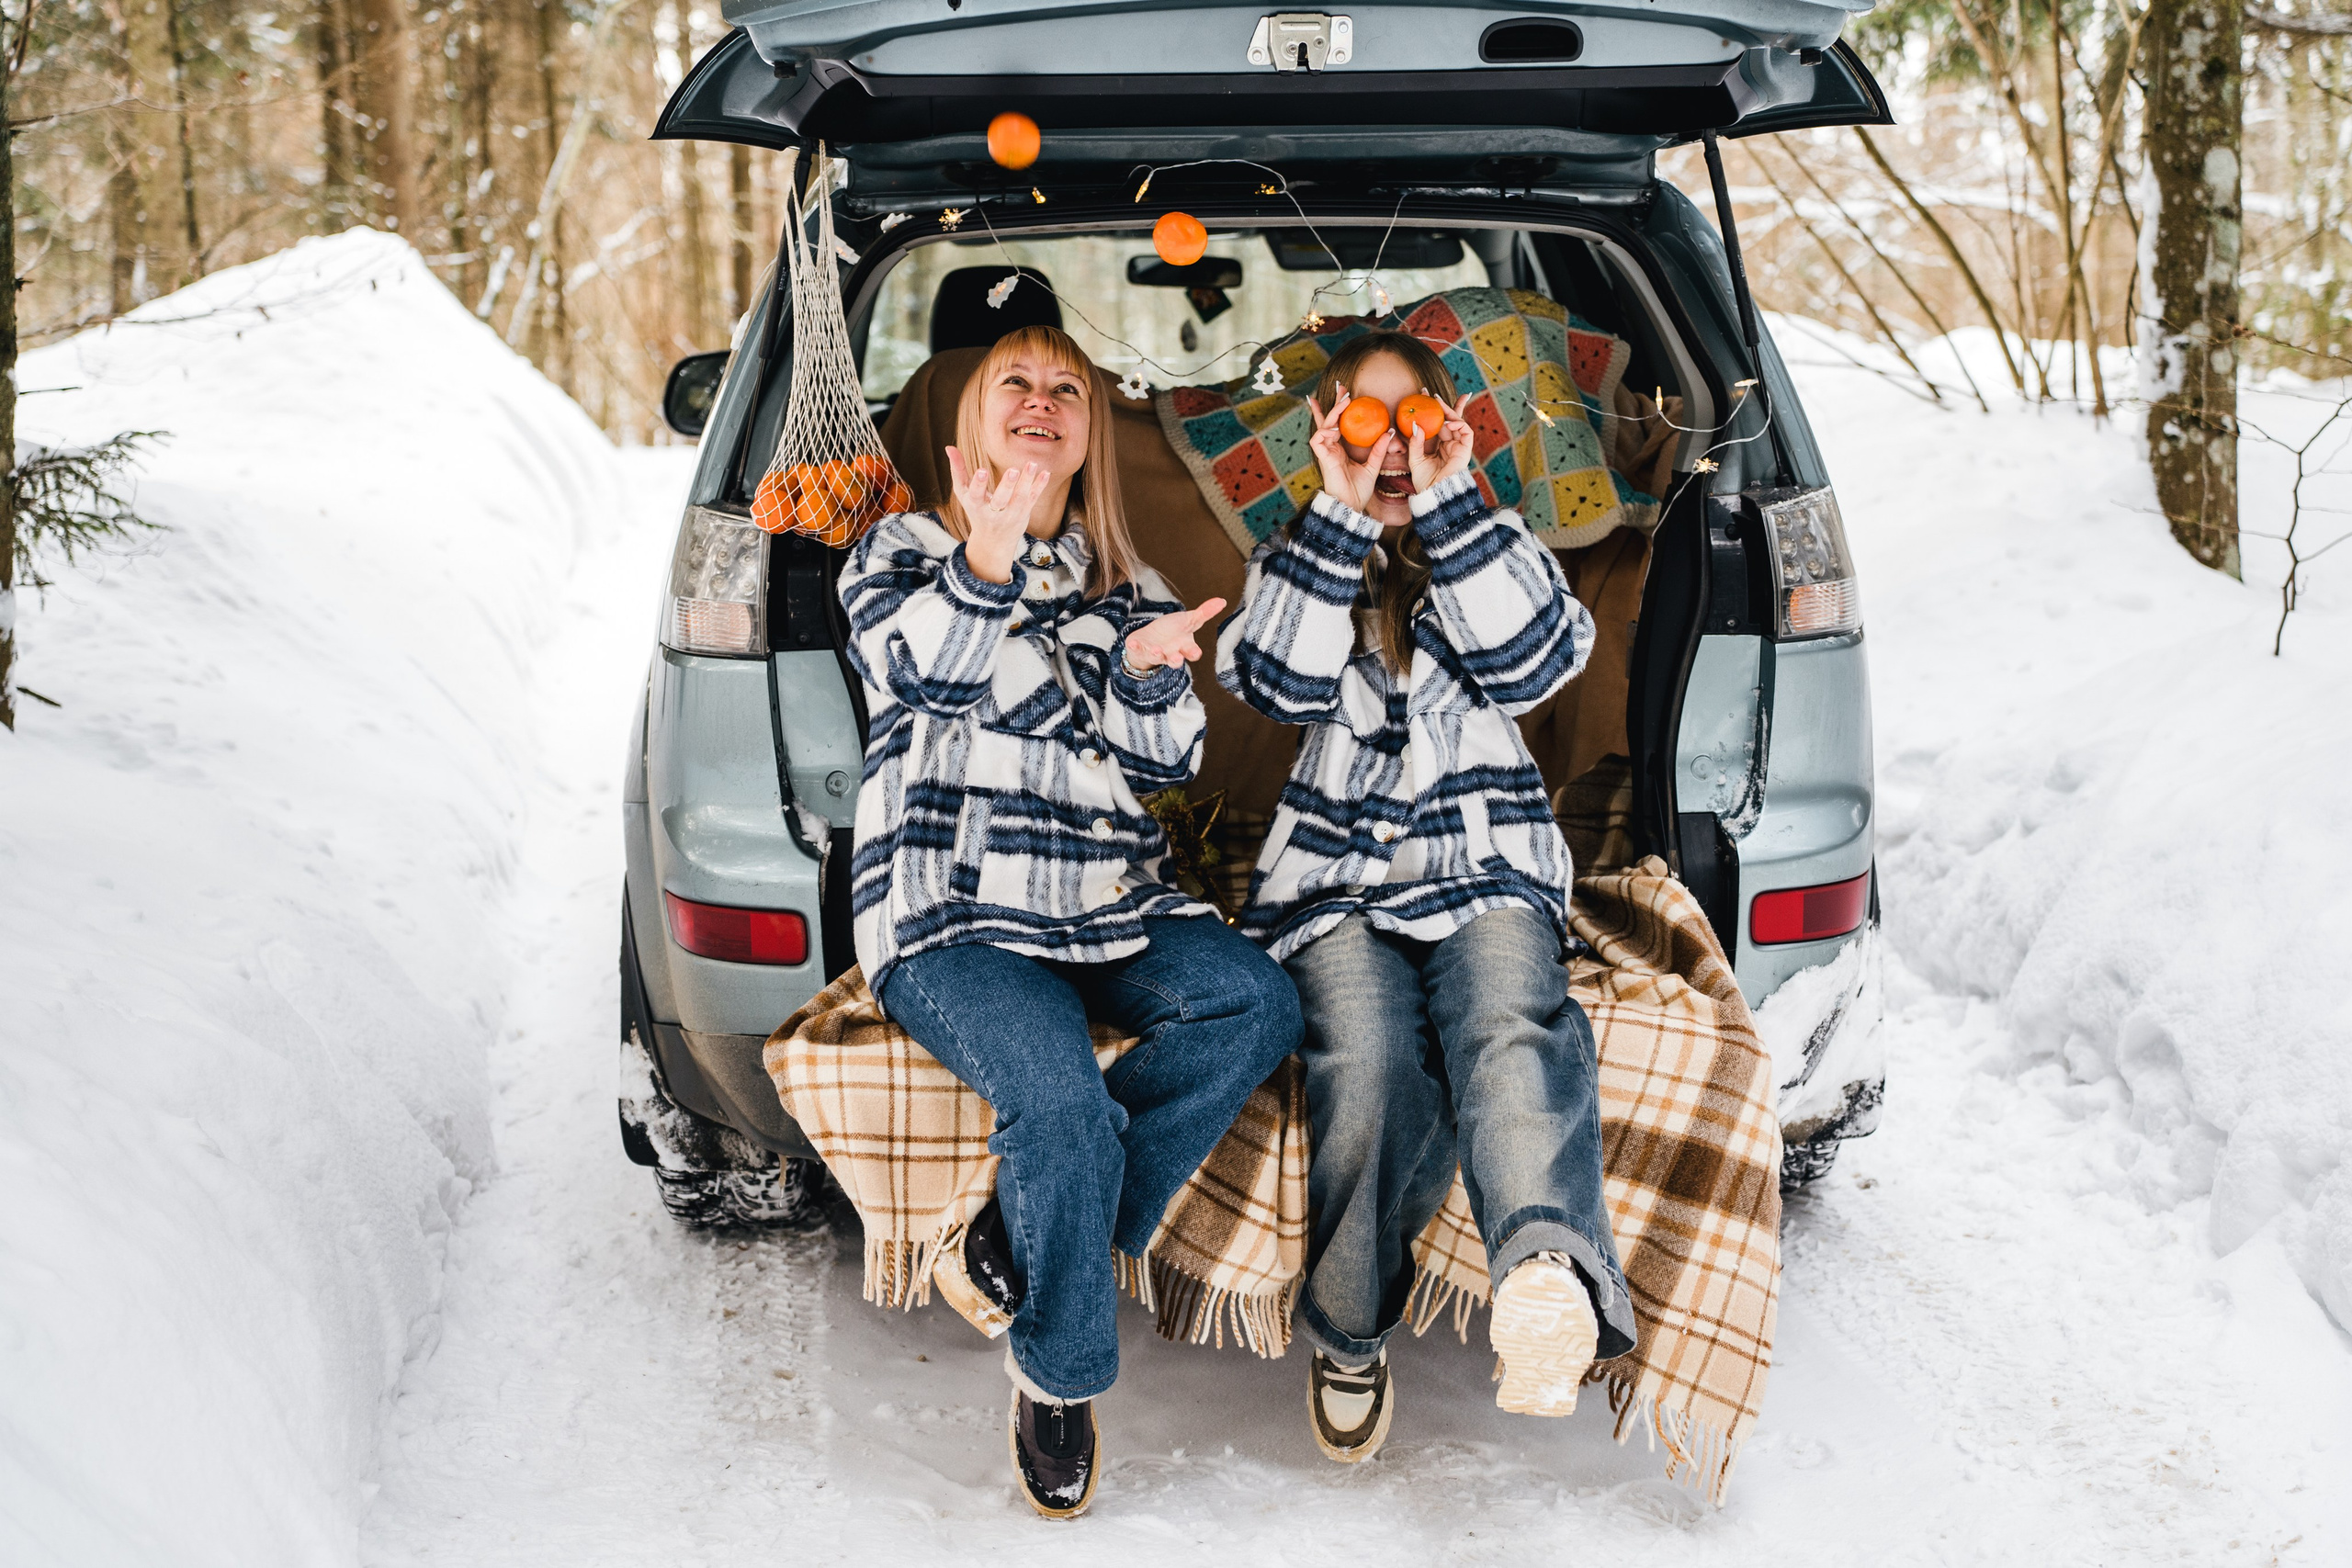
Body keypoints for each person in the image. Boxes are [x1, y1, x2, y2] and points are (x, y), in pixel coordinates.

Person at [838, 324, 1303, 1518]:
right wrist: (983, 557)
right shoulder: (898, 550)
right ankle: (1059, 1367)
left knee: (1255, 999)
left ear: (1089, 432)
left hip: (1107, 900)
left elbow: (1167, 761)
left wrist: (1151, 670)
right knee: (1060, 1107)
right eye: (1017, 386)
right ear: (965, 438)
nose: (1043, 402)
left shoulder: (1114, 578)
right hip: (952, 914)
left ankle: (1035, 1235)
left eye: (1066, 389)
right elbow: (925, 677)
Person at [1216, 331, 1637, 1464]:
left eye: (1415, 422)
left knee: (1508, 1021)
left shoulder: (1498, 544)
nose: (1391, 443)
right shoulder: (1295, 555)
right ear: (1329, 431)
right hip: (1333, 888)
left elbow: (1533, 664)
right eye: (1367, 418)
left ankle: (1543, 1273)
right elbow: (1274, 679)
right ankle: (1349, 1329)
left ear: (1450, 428)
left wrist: (1448, 504)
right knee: (1367, 1056)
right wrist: (1345, 513)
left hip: (1482, 861)